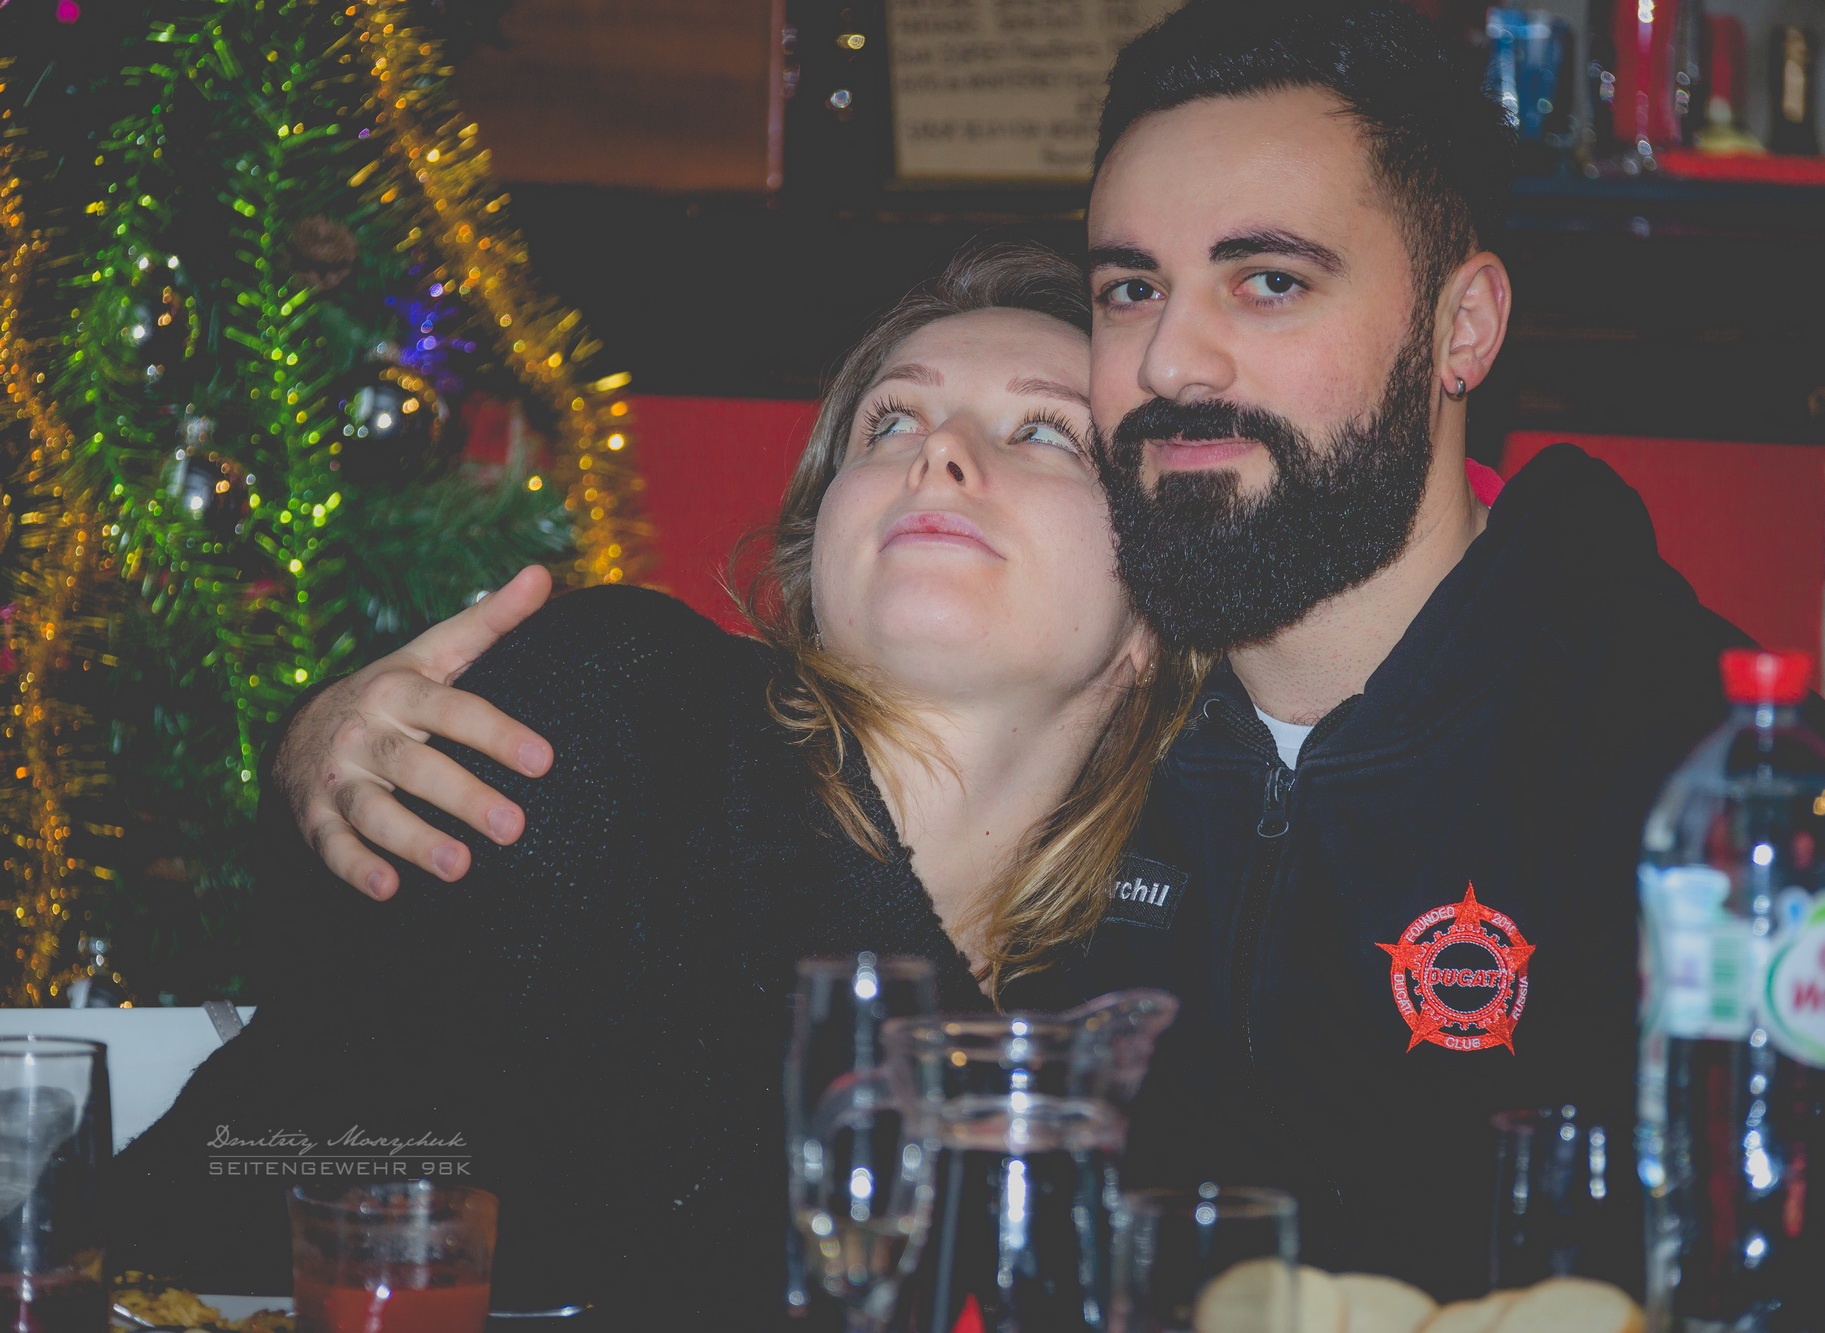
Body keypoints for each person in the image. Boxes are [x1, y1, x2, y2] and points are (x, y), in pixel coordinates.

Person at [272, 0, 1825, 1305]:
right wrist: (314, 757)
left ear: (1462, 326)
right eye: (1132, 288)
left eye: (1267, 281)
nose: (1176, 357)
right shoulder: (1051, 726)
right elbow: (339, 1123)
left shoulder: (1699, 782)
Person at [108, 242, 1209, 1325]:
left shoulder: (1139, 997)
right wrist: (307, 759)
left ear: (1153, 621)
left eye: (1045, 431)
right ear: (818, 561)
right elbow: (329, 1066)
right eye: (891, 423)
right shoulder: (627, 706)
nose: (940, 454)